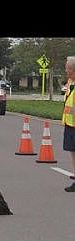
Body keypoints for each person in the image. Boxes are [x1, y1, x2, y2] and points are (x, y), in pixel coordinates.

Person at [62, 56, 75, 192]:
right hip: (70, 124)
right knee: (73, 152)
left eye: (68, 68)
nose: (66, 71)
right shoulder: (70, 83)